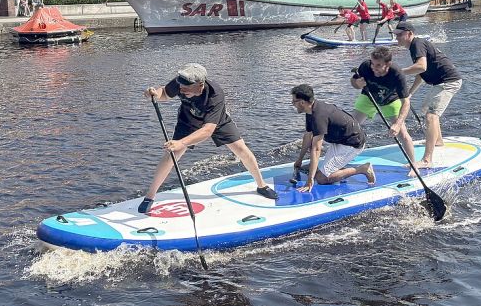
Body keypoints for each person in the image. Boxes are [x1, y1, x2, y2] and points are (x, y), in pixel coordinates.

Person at [140, 64, 278, 213]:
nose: (181, 89)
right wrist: (154, 93)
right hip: (188, 120)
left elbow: (207, 131)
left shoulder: (215, 95)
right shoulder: (180, 82)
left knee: (241, 149)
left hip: (216, 122)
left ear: (200, 85)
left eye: (187, 87)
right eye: (181, 85)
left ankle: (261, 184)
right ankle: (150, 195)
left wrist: (181, 143)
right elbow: (165, 94)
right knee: (171, 155)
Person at [394, 23, 462, 169]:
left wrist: (399, 71)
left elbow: (421, 66)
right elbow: (422, 74)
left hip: (448, 82)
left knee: (431, 116)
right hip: (440, 83)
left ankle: (427, 160)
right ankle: (438, 141)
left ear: (409, 33)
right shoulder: (414, 47)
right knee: (426, 109)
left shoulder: (417, 43)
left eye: (400, 34)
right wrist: (410, 93)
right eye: (396, 34)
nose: (397, 37)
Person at [290, 83, 375, 193]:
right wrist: (299, 160)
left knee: (321, 178)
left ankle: (363, 169)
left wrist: (310, 180)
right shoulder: (311, 110)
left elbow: (317, 149)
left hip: (352, 143)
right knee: (311, 168)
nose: (292, 104)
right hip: (340, 140)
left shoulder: (319, 116)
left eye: (294, 101)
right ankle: (336, 170)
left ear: (302, 102)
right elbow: (308, 136)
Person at [350, 46, 417, 166]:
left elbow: (406, 102)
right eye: (372, 64)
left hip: (390, 100)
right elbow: (353, 81)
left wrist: (397, 124)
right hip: (368, 97)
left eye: (378, 65)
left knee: (402, 134)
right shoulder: (365, 66)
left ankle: (413, 164)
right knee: (349, 126)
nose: (374, 68)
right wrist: (357, 83)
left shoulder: (397, 74)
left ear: (388, 64)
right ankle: (342, 157)